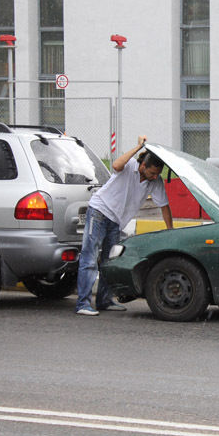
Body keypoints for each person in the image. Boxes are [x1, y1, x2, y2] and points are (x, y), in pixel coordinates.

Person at [75, 135, 174, 316]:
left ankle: (104, 301)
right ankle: (82, 304)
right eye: (152, 173)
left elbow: (164, 207)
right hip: (100, 211)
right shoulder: (129, 166)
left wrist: (171, 232)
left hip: (116, 221)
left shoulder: (155, 182)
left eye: (157, 174)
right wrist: (137, 147)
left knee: (110, 261)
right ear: (143, 165)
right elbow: (116, 165)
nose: (154, 177)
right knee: (89, 258)